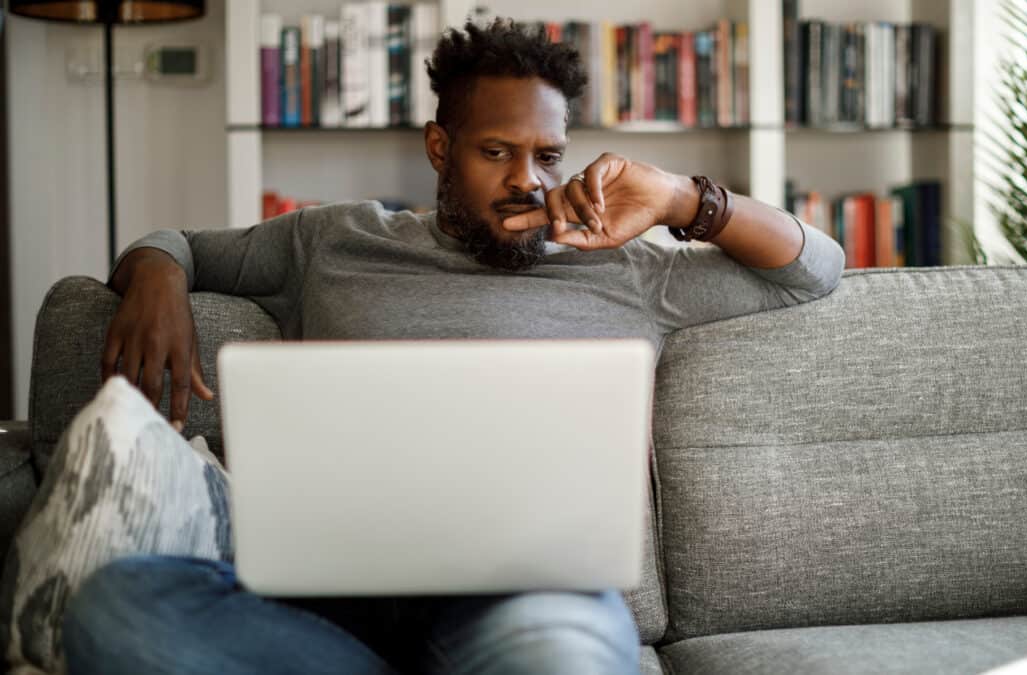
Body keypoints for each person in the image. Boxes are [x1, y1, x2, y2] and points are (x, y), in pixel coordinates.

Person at [59, 18, 844, 675]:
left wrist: (681, 198)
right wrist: (158, 274)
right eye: (496, 151)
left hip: (529, 599)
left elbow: (812, 270)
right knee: (115, 606)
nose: (526, 181)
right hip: (325, 607)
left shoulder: (626, 269)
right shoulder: (333, 239)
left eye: (546, 157)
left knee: (558, 654)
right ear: (440, 147)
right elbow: (178, 243)